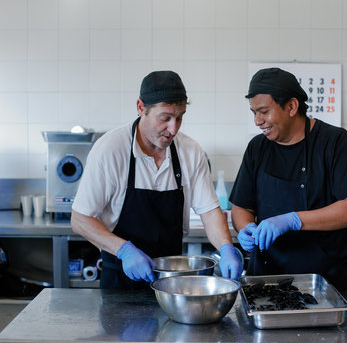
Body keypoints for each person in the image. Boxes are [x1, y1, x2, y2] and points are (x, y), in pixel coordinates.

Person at [71, 70, 242, 289]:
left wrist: (226, 247)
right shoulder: (110, 150)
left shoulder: (190, 152)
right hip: (120, 281)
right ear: (141, 108)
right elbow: (80, 219)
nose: (173, 129)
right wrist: (124, 251)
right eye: (165, 118)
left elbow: (209, 213)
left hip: (171, 282)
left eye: (179, 117)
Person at [230, 67, 347, 291]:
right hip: (266, 282)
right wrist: (245, 227)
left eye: (264, 112)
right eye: (254, 113)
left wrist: (293, 220)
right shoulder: (257, 148)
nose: (258, 121)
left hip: (326, 283)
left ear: (292, 106)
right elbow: (241, 207)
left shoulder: (334, 142)